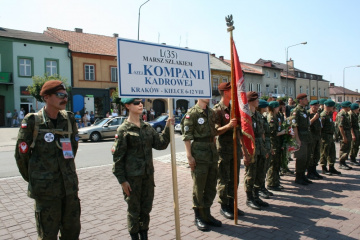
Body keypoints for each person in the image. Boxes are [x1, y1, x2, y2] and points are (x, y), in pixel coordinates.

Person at [14, 80, 80, 239]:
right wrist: (36, 179)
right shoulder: (33, 121)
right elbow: (21, 155)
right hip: (46, 193)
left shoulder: (69, 119)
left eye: (65, 95)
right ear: (46, 97)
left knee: (72, 234)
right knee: (47, 236)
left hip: (69, 190)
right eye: (59, 95)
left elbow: (73, 148)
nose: (64, 99)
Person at [112, 98, 173, 240]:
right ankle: (134, 236)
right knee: (134, 210)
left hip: (147, 177)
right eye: (136, 103)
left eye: (141, 102)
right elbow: (117, 160)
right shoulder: (123, 130)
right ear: (127, 106)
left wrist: (168, 127)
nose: (140, 105)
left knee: (146, 209)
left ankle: (144, 234)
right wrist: (122, 181)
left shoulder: (147, 127)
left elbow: (161, 144)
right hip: (132, 179)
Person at [181, 98, 222, 231]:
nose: (208, 96)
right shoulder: (192, 113)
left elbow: (214, 133)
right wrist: (189, 156)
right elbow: (187, 136)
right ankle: (198, 216)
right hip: (199, 152)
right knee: (199, 186)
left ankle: (207, 214)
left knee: (211, 185)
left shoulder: (211, 112)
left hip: (211, 151)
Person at [212, 82, 245, 220]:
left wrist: (242, 147)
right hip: (224, 150)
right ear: (225, 92)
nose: (233, 92)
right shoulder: (217, 110)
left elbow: (238, 131)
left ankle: (232, 203)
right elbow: (215, 131)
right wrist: (229, 126)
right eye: (231, 90)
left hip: (235, 149)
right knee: (224, 179)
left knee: (234, 178)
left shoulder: (233, 109)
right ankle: (224, 205)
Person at [244, 92, 269, 210]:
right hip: (251, 148)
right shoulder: (246, 116)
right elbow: (243, 136)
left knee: (260, 172)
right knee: (250, 174)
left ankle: (256, 195)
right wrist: (245, 153)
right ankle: (249, 198)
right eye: (256, 99)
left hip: (260, 147)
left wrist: (264, 148)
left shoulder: (259, 115)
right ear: (250, 101)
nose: (258, 101)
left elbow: (263, 133)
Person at [292, 94, 312, 185]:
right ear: (300, 100)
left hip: (307, 136)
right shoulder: (296, 111)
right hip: (301, 136)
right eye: (305, 99)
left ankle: (303, 175)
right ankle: (298, 177)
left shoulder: (304, 110)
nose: (307, 100)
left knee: (307, 157)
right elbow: (294, 125)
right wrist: (297, 139)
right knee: (301, 158)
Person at [266, 101, 287, 191]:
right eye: (278, 107)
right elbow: (271, 133)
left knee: (277, 163)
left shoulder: (278, 116)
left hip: (278, 142)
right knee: (273, 164)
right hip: (273, 143)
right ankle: (271, 183)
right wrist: (281, 133)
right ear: (274, 108)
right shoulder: (271, 117)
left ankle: (276, 181)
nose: (280, 108)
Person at [320, 100, 341, 175]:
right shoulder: (323, 115)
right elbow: (321, 128)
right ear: (328, 107)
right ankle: (324, 168)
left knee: (332, 152)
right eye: (333, 107)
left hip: (330, 136)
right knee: (324, 152)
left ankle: (331, 167)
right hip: (325, 136)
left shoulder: (330, 114)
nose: (334, 108)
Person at [257, 100, 273, 198]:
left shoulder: (262, 117)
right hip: (263, 144)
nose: (267, 108)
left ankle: (262, 187)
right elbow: (262, 133)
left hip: (267, 143)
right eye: (265, 106)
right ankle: (260, 188)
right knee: (262, 168)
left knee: (265, 166)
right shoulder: (260, 117)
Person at [307, 100, 323, 180]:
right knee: (311, 155)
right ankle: (309, 172)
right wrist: (314, 118)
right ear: (311, 106)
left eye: (317, 106)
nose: (316, 107)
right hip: (311, 137)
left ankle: (314, 170)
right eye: (315, 106)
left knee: (317, 154)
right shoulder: (308, 114)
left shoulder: (318, 114)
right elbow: (307, 124)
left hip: (317, 137)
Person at [336, 101, 353, 170]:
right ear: (345, 107)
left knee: (347, 148)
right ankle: (341, 163)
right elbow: (340, 126)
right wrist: (343, 136)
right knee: (343, 148)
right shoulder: (341, 114)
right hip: (344, 133)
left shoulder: (346, 114)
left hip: (348, 132)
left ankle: (344, 162)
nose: (350, 107)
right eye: (349, 106)